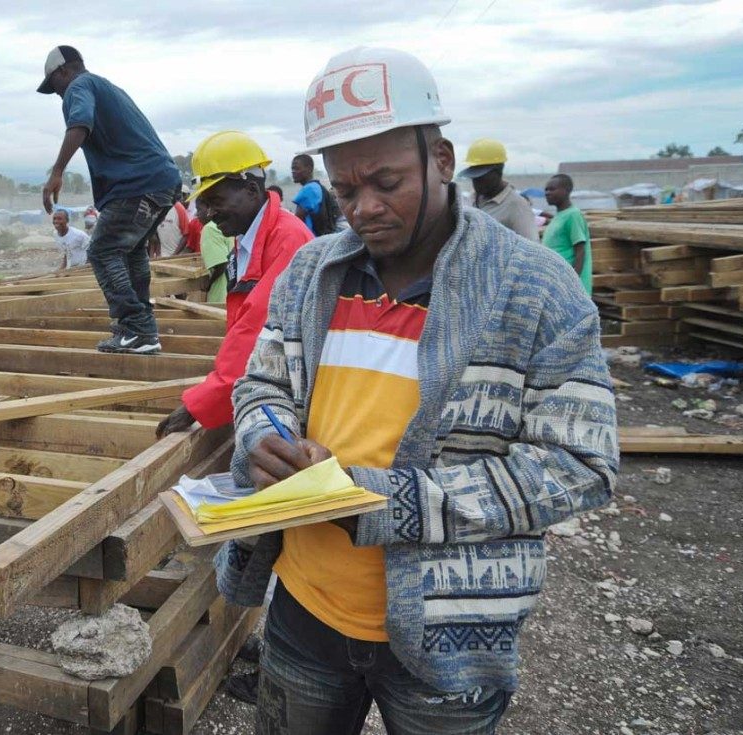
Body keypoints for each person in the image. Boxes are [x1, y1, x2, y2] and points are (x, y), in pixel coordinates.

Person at [220, 47, 617, 734]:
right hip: (304, 613)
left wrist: (382, 503)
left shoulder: (535, 289)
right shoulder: (312, 273)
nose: (363, 208)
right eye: (345, 190)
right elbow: (262, 382)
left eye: (386, 181)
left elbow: (580, 465)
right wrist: (264, 435)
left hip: (450, 642)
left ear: (441, 158)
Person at [155, 130, 311, 437]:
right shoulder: (249, 236)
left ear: (252, 190)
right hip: (263, 379)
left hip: (287, 390)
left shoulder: (287, 239)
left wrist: (199, 404)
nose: (209, 215)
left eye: (216, 201)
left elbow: (256, 330)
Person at [38, 44, 181, 354]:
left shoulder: (80, 85)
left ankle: (138, 328)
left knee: (102, 251)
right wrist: (150, 228)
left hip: (137, 184)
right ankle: (138, 332)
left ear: (64, 71)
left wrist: (57, 171)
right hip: (161, 181)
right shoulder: (107, 87)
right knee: (130, 253)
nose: (57, 94)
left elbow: (81, 122)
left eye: (54, 85)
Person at [456, 139, 538, 241]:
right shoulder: (471, 199)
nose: (476, 182)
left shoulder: (516, 205)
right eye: (473, 176)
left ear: (498, 171)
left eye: (481, 176)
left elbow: (532, 247)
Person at [543, 173, 593, 294]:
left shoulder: (573, 215)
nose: (547, 193)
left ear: (567, 190)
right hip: (556, 282)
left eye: (552, 189)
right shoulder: (559, 216)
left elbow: (580, 250)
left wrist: (573, 282)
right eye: (546, 190)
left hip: (569, 287)